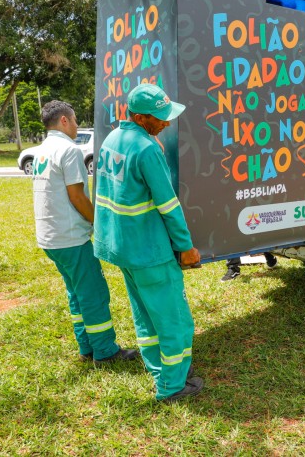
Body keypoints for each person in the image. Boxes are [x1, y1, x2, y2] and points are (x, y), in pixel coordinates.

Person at [93, 83, 204, 403]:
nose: (166, 123)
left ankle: (159, 371)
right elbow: (168, 205)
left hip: (122, 247)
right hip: (150, 250)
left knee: (145, 314)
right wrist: (185, 247)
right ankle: (172, 386)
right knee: (175, 320)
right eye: (160, 118)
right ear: (140, 118)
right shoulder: (146, 148)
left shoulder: (113, 138)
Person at [32, 100, 139, 365]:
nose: (78, 125)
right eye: (76, 119)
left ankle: (86, 347)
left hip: (49, 238)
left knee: (76, 293)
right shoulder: (69, 150)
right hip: (71, 238)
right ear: (65, 121)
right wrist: (98, 224)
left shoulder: (41, 150)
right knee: (93, 294)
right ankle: (105, 351)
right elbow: (77, 196)